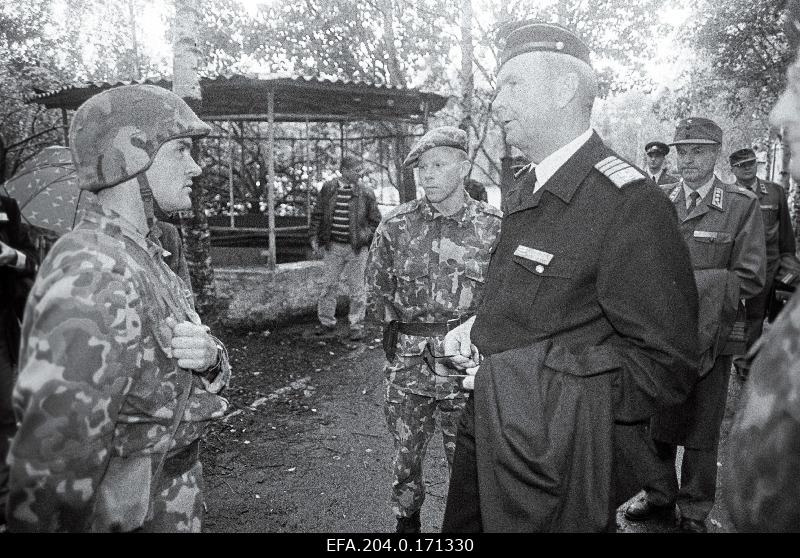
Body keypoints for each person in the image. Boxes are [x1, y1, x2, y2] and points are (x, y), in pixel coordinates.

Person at [440, 21, 699, 532]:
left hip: (555, 465)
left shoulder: (630, 205)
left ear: (563, 90)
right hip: (493, 432)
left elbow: (667, 366)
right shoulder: (527, 187)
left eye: (512, 84)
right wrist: (478, 330)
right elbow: (538, 305)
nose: (497, 101)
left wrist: (536, 383)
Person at [5, 85, 231, 532]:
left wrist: (211, 359)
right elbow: (54, 468)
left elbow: (185, 372)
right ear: (133, 161)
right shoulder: (94, 272)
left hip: (164, 500)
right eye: (182, 150)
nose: (196, 166)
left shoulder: (146, 255)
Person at [624, 117, 766, 533]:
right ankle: (659, 494)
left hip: (713, 334)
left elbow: (752, 275)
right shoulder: (659, 200)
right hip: (662, 336)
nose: (687, 159)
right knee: (658, 417)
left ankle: (695, 509)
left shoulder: (740, 205)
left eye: (698, 151)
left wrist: (693, 292)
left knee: (703, 426)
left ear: (716, 154)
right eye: (682, 151)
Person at [365, 126, 502, 533]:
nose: (427, 175)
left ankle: (464, 530)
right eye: (421, 167)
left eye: (438, 165)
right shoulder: (395, 226)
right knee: (405, 456)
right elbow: (378, 293)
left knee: (469, 458)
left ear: (464, 167)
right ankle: (406, 525)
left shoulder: (494, 226)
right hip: (409, 362)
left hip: (466, 359)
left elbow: (506, 298)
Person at [724, 0, 800, 531]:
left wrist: (787, 273)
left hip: (769, 284)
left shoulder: (773, 194)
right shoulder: (734, 198)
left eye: (797, 84)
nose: (778, 112)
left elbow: (785, 241)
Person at [727, 147, 798, 380]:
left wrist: (789, 268)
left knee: (757, 318)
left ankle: (747, 365)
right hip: (737, 267)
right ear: (733, 169)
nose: (748, 168)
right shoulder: (729, 195)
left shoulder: (775, 193)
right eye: (741, 165)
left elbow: (786, 236)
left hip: (768, 268)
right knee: (737, 317)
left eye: (751, 163)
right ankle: (738, 360)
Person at [309, 154, 382, 341]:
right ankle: (326, 323)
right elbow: (317, 214)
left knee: (357, 288)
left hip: (356, 248)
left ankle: (356, 325)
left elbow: (376, 222)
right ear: (344, 171)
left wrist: (364, 236)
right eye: (356, 170)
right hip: (333, 246)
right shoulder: (329, 188)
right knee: (328, 286)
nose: (360, 173)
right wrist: (314, 237)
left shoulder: (365, 192)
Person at [0, 195, 38, 527]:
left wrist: (12, 256)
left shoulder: (6, 207)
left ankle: (4, 508)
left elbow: (33, 262)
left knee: (6, 417)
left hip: (2, 331)